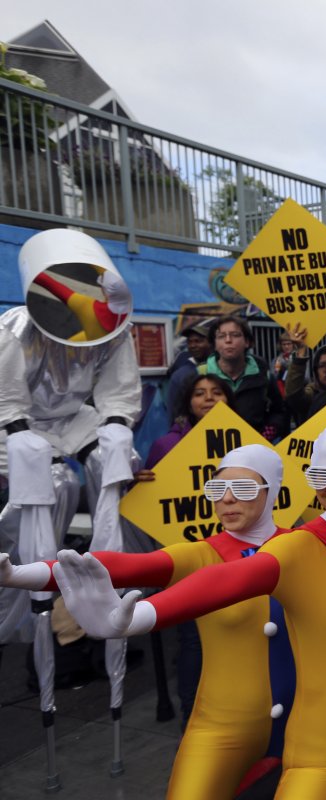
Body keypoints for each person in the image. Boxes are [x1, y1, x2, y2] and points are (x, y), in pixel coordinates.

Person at [53, 422, 326, 799]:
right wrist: (141, 617)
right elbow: (225, 581)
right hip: (325, 742)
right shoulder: (295, 547)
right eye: (319, 476)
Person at [2, 445, 294, 799]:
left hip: (303, 720)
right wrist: (18, 574)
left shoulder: (302, 548)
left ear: (272, 492)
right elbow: (121, 565)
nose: (228, 500)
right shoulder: (202, 553)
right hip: (223, 725)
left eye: (244, 489)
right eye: (217, 490)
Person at [0, 229, 141, 755]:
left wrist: (116, 428)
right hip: (18, 427)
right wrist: (21, 438)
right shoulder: (14, 329)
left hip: (75, 421)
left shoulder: (115, 331)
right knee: (46, 480)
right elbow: (9, 398)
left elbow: (117, 392)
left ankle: (114, 574)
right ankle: (34, 583)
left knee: (113, 458)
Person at [133, 372, 234, 725]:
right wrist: (140, 482)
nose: (208, 399)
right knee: (192, 640)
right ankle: (193, 717)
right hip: (191, 561)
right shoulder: (165, 446)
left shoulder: (245, 445)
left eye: (216, 392)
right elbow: (148, 502)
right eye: (199, 394)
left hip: (238, 560)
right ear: (187, 402)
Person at [199, 315, 287, 440]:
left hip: (254, 451)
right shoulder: (200, 375)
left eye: (235, 335)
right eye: (221, 336)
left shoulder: (264, 375)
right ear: (215, 344)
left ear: (247, 342)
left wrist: (268, 433)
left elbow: (279, 411)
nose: (228, 340)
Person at [281, 323, 326, 425]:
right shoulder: (312, 394)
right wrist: (301, 352)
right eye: (322, 365)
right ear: (315, 371)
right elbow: (293, 395)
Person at [165, 318, 214, 415]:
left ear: (211, 343)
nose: (193, 345)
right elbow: (174, 410)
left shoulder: (223, 369)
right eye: (190, 342)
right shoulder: (180, 375)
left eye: (198, 341)